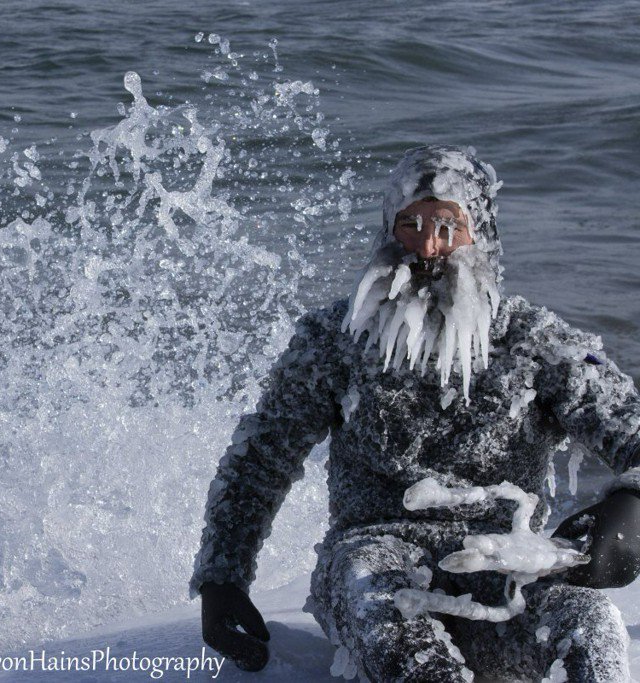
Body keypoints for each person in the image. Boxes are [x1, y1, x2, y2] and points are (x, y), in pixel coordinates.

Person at [190, 145, 640, 681]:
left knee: (590, 623)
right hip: (373, 560)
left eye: (448, 225)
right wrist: (223, 577)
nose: (428, 247)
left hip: (504, 565)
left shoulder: (536, 345)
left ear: (484, 236)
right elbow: (260, 459)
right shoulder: (335, 342)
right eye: (411, 224)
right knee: (378, 599)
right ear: (387, 228)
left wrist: (632, 510)